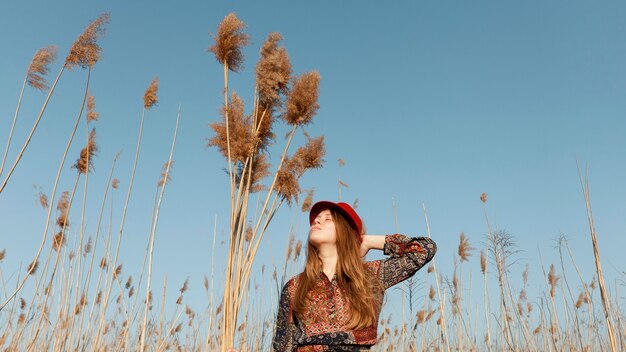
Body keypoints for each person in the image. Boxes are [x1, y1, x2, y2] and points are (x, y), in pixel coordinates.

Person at [273, 201, 437, 351]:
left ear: (345, 232)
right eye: (317, 218)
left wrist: (368, 241)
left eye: (327, 219)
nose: (316, 221)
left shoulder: (370, 276)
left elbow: (424, 249)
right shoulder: (295, 286)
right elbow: (282, 345)